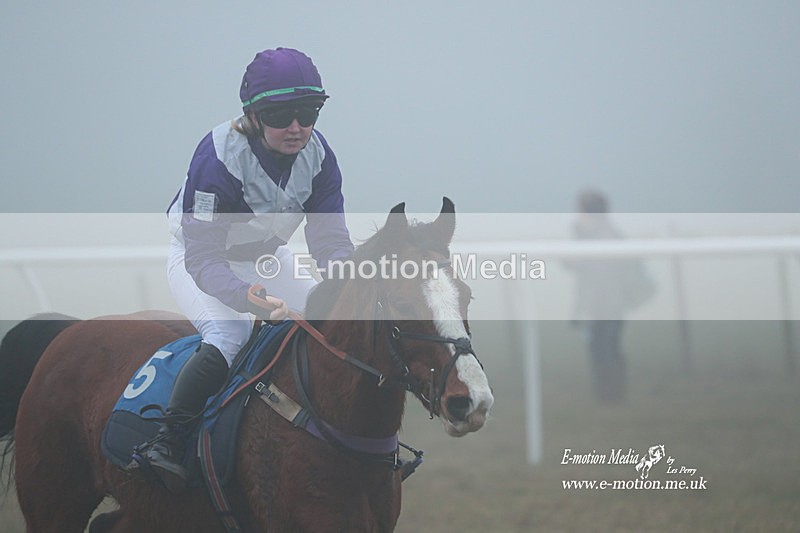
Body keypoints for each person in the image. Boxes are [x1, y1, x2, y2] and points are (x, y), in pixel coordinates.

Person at [143, 47, 354, 492]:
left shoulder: (320, 156)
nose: (297, 127)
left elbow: (330, 243)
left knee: (327, 322)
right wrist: (244, 296)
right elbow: (203, 257)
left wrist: (352, 279)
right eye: (281, 115)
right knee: (230, 335)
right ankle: (167, 440)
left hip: (265, 256)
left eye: (309, 111)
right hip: (201, 258)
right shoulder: (219, 155)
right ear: (254, 116)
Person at [565, 189, 654, 405]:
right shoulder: (605, 233)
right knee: (605, 349)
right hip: (605, 303)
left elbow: (594, 271)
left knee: (605, 350)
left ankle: (611, 397)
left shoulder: (603, 236)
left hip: (605, 304)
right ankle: (610, 396)